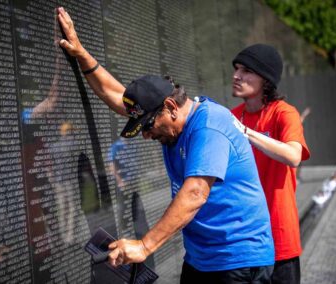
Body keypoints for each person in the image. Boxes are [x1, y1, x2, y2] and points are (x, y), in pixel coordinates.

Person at [57, 7, 274, 283]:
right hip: (200, 258)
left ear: (171, 107)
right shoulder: (168, 119)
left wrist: (144, 245)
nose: (146, 135)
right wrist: (81, 54)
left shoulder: (209, 125)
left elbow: (195, 192)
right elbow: (117, 95)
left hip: (239, 260)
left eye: (148, 126)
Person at [230, 44, 311, 284]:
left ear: (265, 79)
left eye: (246, 70)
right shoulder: (232, 116)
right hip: (243, 242)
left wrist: (246, 133)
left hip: (279, 238)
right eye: (236, 69)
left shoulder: (284, 113)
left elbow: (293, 155)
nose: (236, 75)